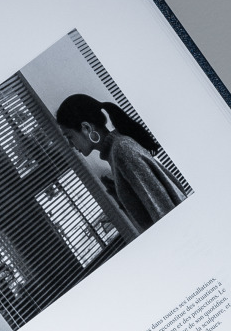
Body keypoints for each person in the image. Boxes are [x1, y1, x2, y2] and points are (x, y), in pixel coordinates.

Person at [55, 93, 183, 232]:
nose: (71, 144)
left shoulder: (121, 150)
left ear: (86, 128)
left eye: (70, 136)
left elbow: (164, 212)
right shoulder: (117, 150)